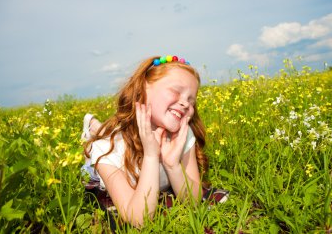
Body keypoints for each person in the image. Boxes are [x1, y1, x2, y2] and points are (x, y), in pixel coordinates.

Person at [81, 55, 227, 227]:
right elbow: (139, 220)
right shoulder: (107, 147)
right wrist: (151, 156)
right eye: (176, 91)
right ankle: (92, 126)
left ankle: (96, 126)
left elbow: (194, 200)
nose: (185, 104)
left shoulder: (183, 135)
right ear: (142, 90)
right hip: (103, 153)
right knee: (97, 141)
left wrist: (173, 166)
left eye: (191, 100)